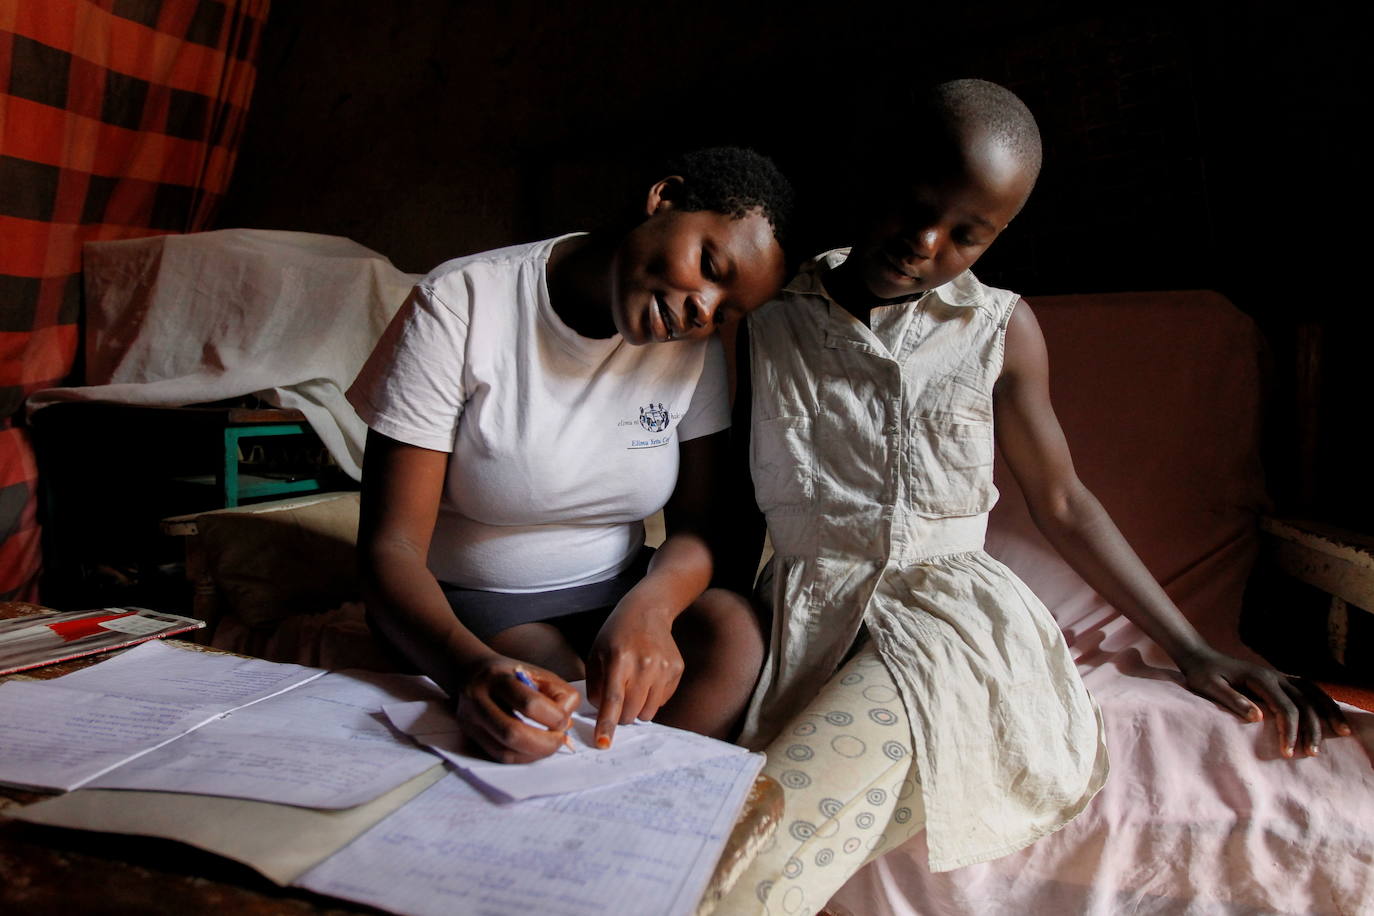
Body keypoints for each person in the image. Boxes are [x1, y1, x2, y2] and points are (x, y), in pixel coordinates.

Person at [714, 81, 1351, 914]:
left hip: (950, 634)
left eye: (968, 236)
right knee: (720, 827)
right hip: (803, 618)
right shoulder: (768, 318)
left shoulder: (1001, 331)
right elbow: (724, 507)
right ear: (876, 175)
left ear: (999, 237)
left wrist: (1193, 649)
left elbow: (1064, 502)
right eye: (916, 206)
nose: (926, 242)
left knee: (749, 858)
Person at [348, 147, 793, 764]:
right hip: (478, 602)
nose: (704, 311)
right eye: (709, 264)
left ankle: (640, 805)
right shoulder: (464, 301)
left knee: (734, 634)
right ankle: (605, 801)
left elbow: (696, 529)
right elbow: (389, 550)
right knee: (560, 681)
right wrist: (470, 669)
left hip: (617, 587)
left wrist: (651, 607)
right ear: (663, 199)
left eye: (728, 310)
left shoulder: (695, 350)